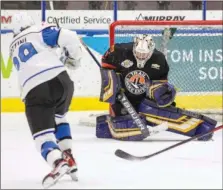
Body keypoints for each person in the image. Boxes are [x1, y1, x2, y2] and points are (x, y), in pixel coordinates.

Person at [96, 34, 217, 141]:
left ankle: (203, 128)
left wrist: (163, 92)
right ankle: (107, 125)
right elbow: (105, 64)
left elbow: (160, 83)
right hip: (122, 98)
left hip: (144, 100)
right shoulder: (119, 50)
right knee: (127, 126)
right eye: (138, 53)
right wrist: (112, 82)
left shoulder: (159, 59)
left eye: (144, 54)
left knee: (152, 111)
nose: (141, 56)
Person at [9, 12, 82, 188]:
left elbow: (33, 63)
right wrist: (73, 58)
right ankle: (68, 156)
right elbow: (69, 37)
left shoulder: (12, 46)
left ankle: (58, 162)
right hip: (62, 81)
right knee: (59, 118)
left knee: (42, 138)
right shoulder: (38, 29)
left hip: (35, 88)